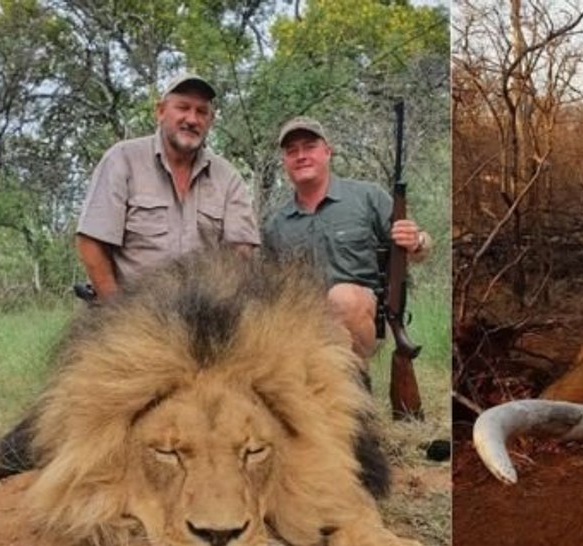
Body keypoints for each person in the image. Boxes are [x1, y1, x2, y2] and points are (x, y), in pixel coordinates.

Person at [262, 117, 431, 362]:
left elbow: (422, 248)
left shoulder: (367, 197)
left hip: (361, 317)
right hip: (304, 325)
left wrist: (417, 241)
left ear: (327, 152)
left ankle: (357, 379)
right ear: (285, 161)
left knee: (343, 299)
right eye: (292, 151)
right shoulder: (275, 225)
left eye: (309, 147)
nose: (301, 156)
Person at [76, 72, 259, 299]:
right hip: (131, 316)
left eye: (201, 112)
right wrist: (114, 312)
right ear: (161, 112)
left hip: (205, 319)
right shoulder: (121, 159)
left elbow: (241, 256)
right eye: (183, 107)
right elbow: (91, 242)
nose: (192, 119)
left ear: (210, 121)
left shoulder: (228, 178)